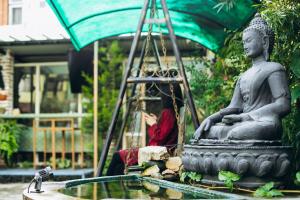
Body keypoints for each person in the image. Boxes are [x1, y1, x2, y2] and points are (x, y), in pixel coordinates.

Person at [194, 13, 291, 141]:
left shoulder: (274, 68)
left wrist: (247, 117)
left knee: (237, 134)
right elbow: (235, 107)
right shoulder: (244, 75)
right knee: (209, 132)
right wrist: (210, 118)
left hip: (264, 123)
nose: (245, 45)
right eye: (244, 42)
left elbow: (283, 105)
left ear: (264, 41)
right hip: (243, 123)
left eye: (249, 40)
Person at [106, 83, 183, 176]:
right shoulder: (173, 111)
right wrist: (156, 122)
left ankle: (103, 183)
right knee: (119, 165)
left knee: (117, 156)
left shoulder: (168, 113)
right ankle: (109, 184)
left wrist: (153, 124)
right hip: (161, 148)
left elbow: (160, 136)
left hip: (158, 151)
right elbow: (166, 132)